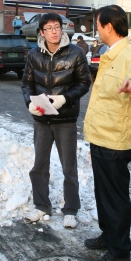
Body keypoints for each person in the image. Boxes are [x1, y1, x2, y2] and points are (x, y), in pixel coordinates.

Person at [83, 5, 131, 261]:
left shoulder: (129, 56)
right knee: (103, 193)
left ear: (109, 27)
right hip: (101, 135)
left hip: (115, 139)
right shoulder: (111, 53)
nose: (97, 30)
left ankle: (120, 251)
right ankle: (108, 235)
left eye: (98, 25)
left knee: (115, 196)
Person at [21, 13, 91, 229]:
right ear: (41, 32)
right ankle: (41, 205)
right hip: (42, 119)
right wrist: (29, 103)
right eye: (49, 28)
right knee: (39, 165)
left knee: (69, 166)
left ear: (62, 30)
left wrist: (65, 98)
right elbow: (27, 84)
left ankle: (71, 209)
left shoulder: (76, 53)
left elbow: (84, 83)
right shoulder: (33, 55)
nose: (54, 31)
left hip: (66, 119)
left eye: (57, 27)